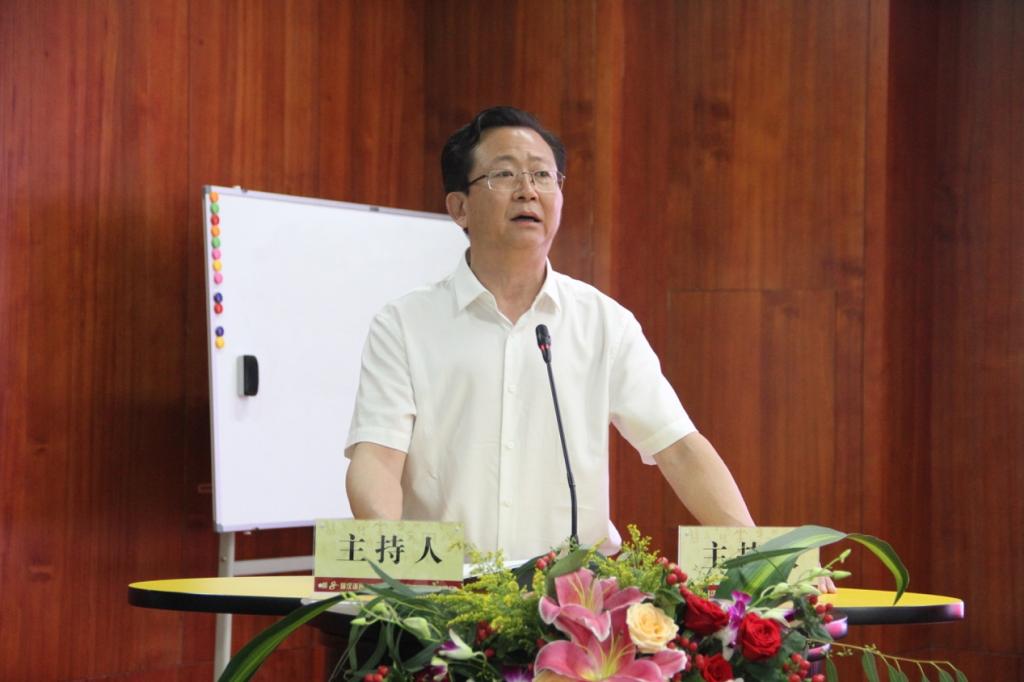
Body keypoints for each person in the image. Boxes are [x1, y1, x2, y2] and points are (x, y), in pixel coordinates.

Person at [344, 106, 754, 560]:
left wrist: (757, 561)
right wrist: (390, 571)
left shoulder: (604, 322)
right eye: (504, 175)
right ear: (460, 208)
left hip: (574, 594)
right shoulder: (405, 323)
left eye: (542, 175)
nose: (528, 191)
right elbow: (378, 457)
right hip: (447, 588)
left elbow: (679, 448)